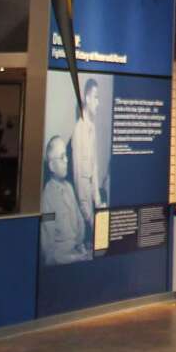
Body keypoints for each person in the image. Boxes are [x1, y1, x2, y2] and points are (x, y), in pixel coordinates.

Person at [38, 135, 91, 265]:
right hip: (64, 263)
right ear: (51, 166)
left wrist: (81, 248)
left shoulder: (69, 188)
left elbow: (80, 225)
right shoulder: (47, 198)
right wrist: (75, 258)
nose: (67, 160)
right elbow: (49, 253)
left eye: (66, 155)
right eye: (62, 157)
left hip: (78, 253)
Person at [71, 79, 106, 237]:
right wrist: (91, 221)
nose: (98, 103)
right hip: (85, 218)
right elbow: (79, 180)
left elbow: (94, 170)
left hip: (93, 210)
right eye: (96, 97)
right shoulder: (79, 131)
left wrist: (98, 204)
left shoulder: (92, 129)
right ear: (87, 98)